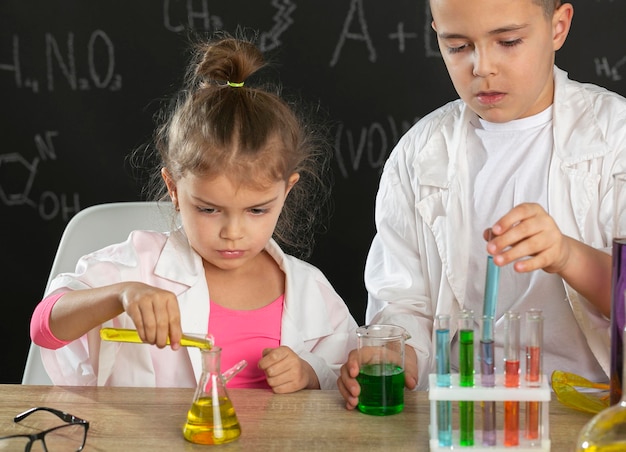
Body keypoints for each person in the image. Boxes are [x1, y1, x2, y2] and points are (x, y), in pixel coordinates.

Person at [339, 0, 626, 408]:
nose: (482, 67)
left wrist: (567, 255)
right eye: (457, 46)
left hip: (584, 410)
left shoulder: (616, 138)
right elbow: (404, 302)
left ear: (558, 27)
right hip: (462, 411)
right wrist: (395, 353)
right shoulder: (419, 154)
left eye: (508, 41)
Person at [30, 34, 358, 392]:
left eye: (256, 210)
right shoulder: (139, 266)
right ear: (173, 188)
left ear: (286, 191)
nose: (233, 231)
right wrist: (120, 295)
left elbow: (347, 371)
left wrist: (310, 373)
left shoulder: (309, 289)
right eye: (209, 209)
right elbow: (44, 327)